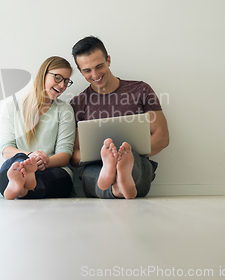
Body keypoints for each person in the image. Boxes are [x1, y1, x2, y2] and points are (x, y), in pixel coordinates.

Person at [69, 36, 169, 199]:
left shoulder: (141, 90)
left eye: (99, 66)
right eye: (87, 70)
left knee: (131, 163)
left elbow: (162, 136)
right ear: (80, 71)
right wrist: (106, 157)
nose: (95, 75)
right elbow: (74, 155)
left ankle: (119, 179)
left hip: (136, 162)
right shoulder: (78, 103)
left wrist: (123, 155)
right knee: (94, 174)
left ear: (108, 60)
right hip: (96, 167)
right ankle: (119, 185)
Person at [0, 56, 76, 200]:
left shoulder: (65, 110)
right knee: (13, 164)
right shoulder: (10, 108)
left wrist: (43, 162)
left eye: (66, 81)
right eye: (58, 78)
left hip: (52, 168)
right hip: (21, 162)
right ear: (43, 74)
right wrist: (29, 158)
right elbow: (6, 150)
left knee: (52, 178)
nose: (62, 86)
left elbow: (65, 155)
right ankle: (24, 183)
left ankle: (21, 189)